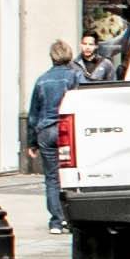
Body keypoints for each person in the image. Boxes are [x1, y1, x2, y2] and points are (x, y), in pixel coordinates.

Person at [24, 36, 86, 228]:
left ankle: (57, 220)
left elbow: (34, 113)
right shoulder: (75, 76)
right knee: (73, 174)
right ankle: (72, 216)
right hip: (67, 129)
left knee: (52, 177)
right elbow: (84, 100)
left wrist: (31, 141)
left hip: (46, 130)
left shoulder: (42, 80)